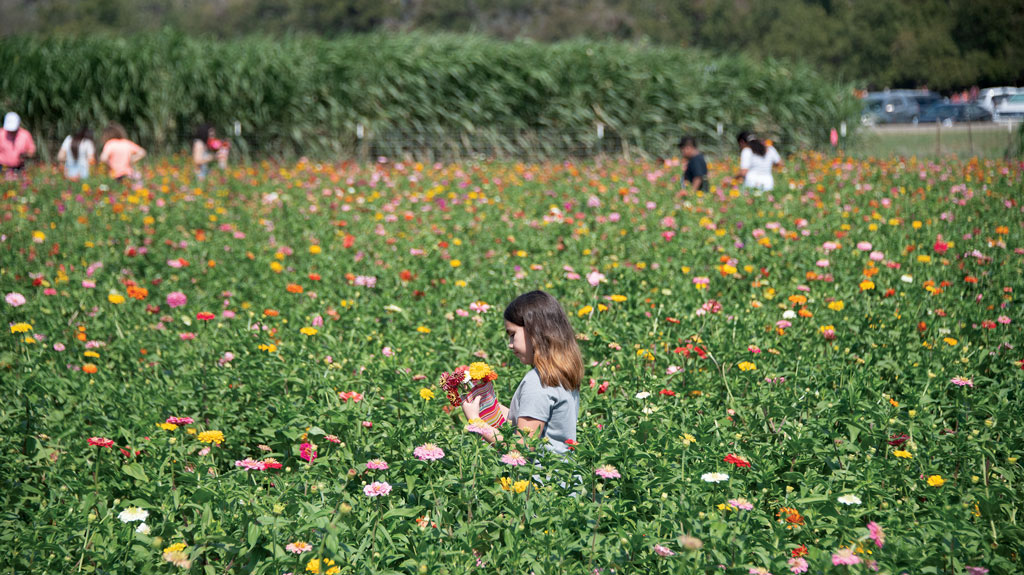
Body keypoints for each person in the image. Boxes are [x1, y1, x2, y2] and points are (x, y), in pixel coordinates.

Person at [462, 291, 583, 454]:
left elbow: (520, 450)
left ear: (535, 332)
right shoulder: (560, 374)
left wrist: (476, 422)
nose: (510, 345)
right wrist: (488, 403)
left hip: (540, 477)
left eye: (513, 335)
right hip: (563, 475)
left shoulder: (538, 382)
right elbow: (525, 420)